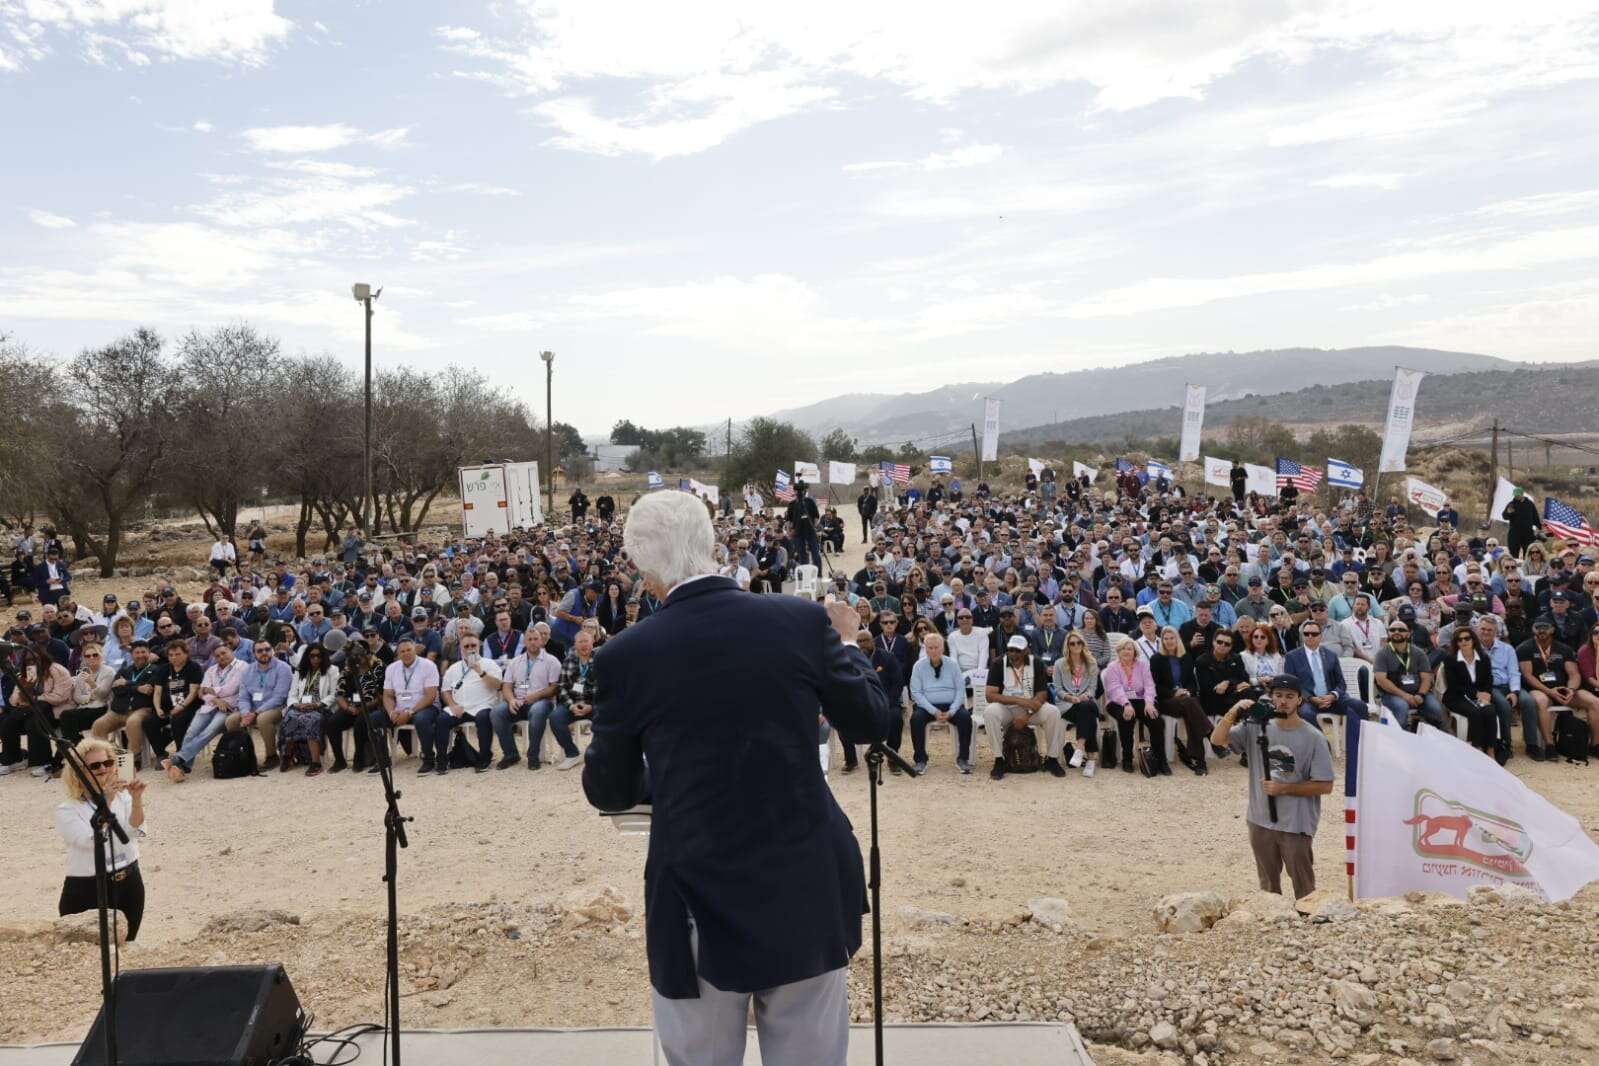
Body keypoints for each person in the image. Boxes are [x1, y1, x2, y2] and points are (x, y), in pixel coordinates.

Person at [581, 490, 891, 1066]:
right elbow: (871, 720)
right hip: (805, 882)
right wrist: (848, 641)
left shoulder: (626, 655)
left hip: (697, 893)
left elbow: (610, 789)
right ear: (713, 544)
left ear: (644, 570)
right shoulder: (799, 621)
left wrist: (668, 779)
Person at [1209, 675, 1334, 901]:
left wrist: (1284, 788)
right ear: (1271, 697)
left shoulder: (1314, 737)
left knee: (1304, 888)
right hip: (1260, 821)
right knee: (1268, 888)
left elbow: (1325, 785)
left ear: (1299, 700)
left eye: (1289, 696)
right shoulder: (1256, 726)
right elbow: (1217, 740)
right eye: (1278, 695)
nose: (1283, 701)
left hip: (1295, 824)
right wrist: (1234, 711)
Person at [55, 738, 147, 940]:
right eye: (95, 766)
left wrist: (137, 799)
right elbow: (89, 841)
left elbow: (136, 831)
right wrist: (106, 801)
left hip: (129, 880)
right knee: (88, 954)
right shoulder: (68, 809)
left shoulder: (123, 797)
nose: (103, 770)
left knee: (128, 943)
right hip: (88, 887)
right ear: (79, 772)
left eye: (108, 763)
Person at [982, 634, 1068, 780]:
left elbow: (1042, 695)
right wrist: (1020, 701)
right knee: (990, 712)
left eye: (1018, 650)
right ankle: (999, 760)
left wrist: (1027, 714)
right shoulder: (998, 663)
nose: (1013, 653)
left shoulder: (1037, 663)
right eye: (1011, 649)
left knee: (1053, 712)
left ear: (1026, 651)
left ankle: (1052, 759)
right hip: (1007, 708)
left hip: (1031, 709)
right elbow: (990, 695)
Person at [162, 642, 245, 782]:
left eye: (224, 653)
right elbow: (201, 693)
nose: (221, 657)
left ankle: (178, 759)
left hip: (229, 708)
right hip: (210, 705)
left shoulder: (242, 667)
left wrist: (209, 690)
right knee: (191, 732)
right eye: (217, 655)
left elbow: (231, 689)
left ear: (231, 651)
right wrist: (215, 698)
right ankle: (183, 767)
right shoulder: (211, 669)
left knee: (209, 731)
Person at [491, 626, 563, 769]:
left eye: (536, 639)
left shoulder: (552, 661)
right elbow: (506, 686)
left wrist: (537, 695)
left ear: (542, 641)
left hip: (542, 702)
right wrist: (511, 700)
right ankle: (511, 754)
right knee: (497, 712)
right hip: (518, 701)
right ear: (524, 642)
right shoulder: (515, 662)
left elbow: (555, 687)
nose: (533, 642)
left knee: (537, 711)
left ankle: (533, 755)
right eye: (529, 639)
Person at [0, 645, 73, 777]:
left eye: (35, 659)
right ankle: (14, 759)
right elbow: (13, 700)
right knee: (8, 723)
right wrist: (25, 688)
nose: (32, 663)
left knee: (34, 722)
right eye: (28, 661)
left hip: (55, 710)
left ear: (43, 658)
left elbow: (61, 696)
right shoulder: (27, 673)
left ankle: (43, 762)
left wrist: (35, 697)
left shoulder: (57, 670)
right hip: (31, 710)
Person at [374, 634, 442, 773]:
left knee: (421, 719)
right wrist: (392, 712)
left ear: (415, 650)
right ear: (398, 654)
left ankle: (428, 759)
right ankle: (383, 758)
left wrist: (410, 712)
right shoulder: (391, 668)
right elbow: (387, 695)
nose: (406, 653)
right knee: (375, 718)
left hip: (426, 706)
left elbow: (430, 696)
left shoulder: (428, 665)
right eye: (402, 651)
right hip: (399, 708)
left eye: (409, 650)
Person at [907, 632, 973, 774]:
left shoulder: (953, 664)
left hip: (951, 705)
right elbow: (916, 693)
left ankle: (963, 759)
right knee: (916, 719)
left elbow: (960, 690)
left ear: (942, 649)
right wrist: (934, 711)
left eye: (936, 647)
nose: (933, 651)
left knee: (965, 717)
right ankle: (920, 760)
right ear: (925, 649)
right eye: (929, 648)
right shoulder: (918, 666)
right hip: (927, 707)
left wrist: (952, 710)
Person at [439, 632, 503, 774]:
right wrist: (452, 705)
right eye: (466, 646)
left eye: (473, 645)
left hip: (483, 706)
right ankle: (442, 760)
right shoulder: (453, 668)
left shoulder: (489, 664)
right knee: (442, 719)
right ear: (461, 648)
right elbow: (445, 691)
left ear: (478, 646)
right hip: (459, 707)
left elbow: (498, 685)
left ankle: (484, 759)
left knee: (483, 718)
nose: (470, 648)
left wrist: (480, 672)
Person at [1102, 639, 1166, 775]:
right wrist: (1126, 704)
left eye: (1129, 649)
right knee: (1127, 718)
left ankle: (1160, 759)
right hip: (1117, 702)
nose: (1126, 651)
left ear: (1134, 652)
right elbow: (1114, 689)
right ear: (1118, 651)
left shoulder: (1143, 665)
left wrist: (1149, 703)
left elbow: (1149, 685)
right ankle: (1127, 759)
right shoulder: (1112, 668)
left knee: (1156, 720)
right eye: (1123, 648)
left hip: (1140, 699)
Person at [1283, 621, 1365, 722]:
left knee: (1359, 706)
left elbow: (1341, 683)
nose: (1310, 636)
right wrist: (1311, 698)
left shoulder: (1331, 655)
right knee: (1306, 714)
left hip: (1332, 699)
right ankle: (1321, 738)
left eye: (1314, 634)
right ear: (1302, 636)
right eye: (1306, 634)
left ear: (1320, 636)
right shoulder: (1292, 657)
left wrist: (1333, 695)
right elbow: (1291, 685)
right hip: (1308, 701)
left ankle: (1359, 737)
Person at [1441, 628, 1503, 761]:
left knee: (1490, 711)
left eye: (1467, 638)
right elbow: (1454, 685)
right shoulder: (1450, 660)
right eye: (1460, 639)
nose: (1464, 641)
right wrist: (1477, 693)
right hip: (1456, 696)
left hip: (1479, 696)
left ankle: (1491, 749)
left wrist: (1487, 693)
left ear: (1473, 640)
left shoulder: (1484, 657)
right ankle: (1477, 748)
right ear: (1456, 643)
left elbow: (1488, 679)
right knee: (1475, 712)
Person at [1372, 619, 1445, 731]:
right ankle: (1400, 738)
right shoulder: (1382, 654)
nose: (1396, 632)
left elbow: (1426, 678)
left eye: (1401, 630)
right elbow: (1381, 680)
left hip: (1418, 693)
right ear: (1388, 633)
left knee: (1436, 709)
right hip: (1392, 695)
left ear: (1409, 633)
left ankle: (1431, 737)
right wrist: (1405, 696)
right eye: (1392, 630)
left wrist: (1420, 695)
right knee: (1402, 706)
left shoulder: (1418, 653)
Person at [279, 642, 338, 775]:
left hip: (320, 707)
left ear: (324, 657)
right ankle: (288, 754)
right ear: (307, 657)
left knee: (311, 719)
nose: (316, 659)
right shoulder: (300, 671)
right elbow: (292, 693)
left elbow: (335, 694)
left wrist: (318, 704)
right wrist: (295, 704)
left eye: (319, 656)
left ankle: (316, 762)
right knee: (289, 717)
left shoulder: (332, 670)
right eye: (312, 656)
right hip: (300, 706)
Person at [1051, 632, 1101, 777]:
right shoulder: (1059, 663)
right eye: (1072, 643)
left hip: (1086, 701)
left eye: (1079, 642)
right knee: (1089, 714)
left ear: (1083, 644)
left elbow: (1093, 687)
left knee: (1087, 707)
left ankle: (1079, 749)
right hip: (1067, 705)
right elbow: (1058, 689)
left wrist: (1087, 696)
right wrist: (1070, 698)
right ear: (1068, 646)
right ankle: (1090, 760)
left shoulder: (1091, 662)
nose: (1076, 646)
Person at [328, 638, 380, 773]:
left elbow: (381, 695)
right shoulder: (348, 669)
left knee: (360, 723)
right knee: (332, 723)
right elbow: (339, 694)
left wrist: (364, 707)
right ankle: (339, 760)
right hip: (351, 707)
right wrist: (347, 707)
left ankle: (359, 758)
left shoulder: (378, 667)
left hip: (371, 706)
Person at [1501, 487, 1542, 558]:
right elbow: (1504, 516)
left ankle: (1527, 568)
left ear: (1522, 494)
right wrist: (1508, 513)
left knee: (1528, 553)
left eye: (1518, 495)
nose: (1516, 496)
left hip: (1528, 533)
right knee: (1513, 553)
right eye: (1515, 495)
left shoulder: (1530, 504)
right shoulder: (1511, 504)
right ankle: (1513, 567)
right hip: (1514, 533)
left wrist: (1539, 526)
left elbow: (1535, 516)